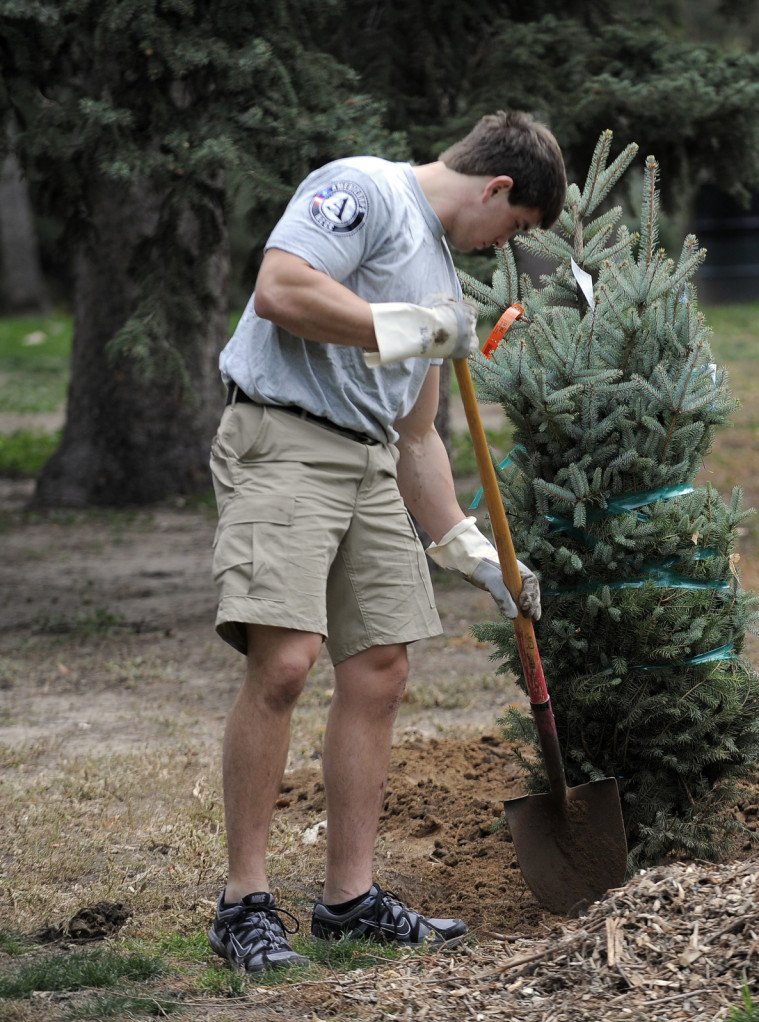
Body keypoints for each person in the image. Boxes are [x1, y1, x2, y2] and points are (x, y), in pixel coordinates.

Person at [204, 111, 567, 972]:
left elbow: (417, 436)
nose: (497, 247)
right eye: (511, 229)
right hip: (284, 440)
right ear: (496, 187)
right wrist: (401, 327)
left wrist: (468, 546)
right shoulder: (362, 187)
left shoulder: (445, 281)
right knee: (285, 662)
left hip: (370, 460)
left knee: (380, 669)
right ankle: (243, 903)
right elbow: (281, 290)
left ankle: (349, 901)